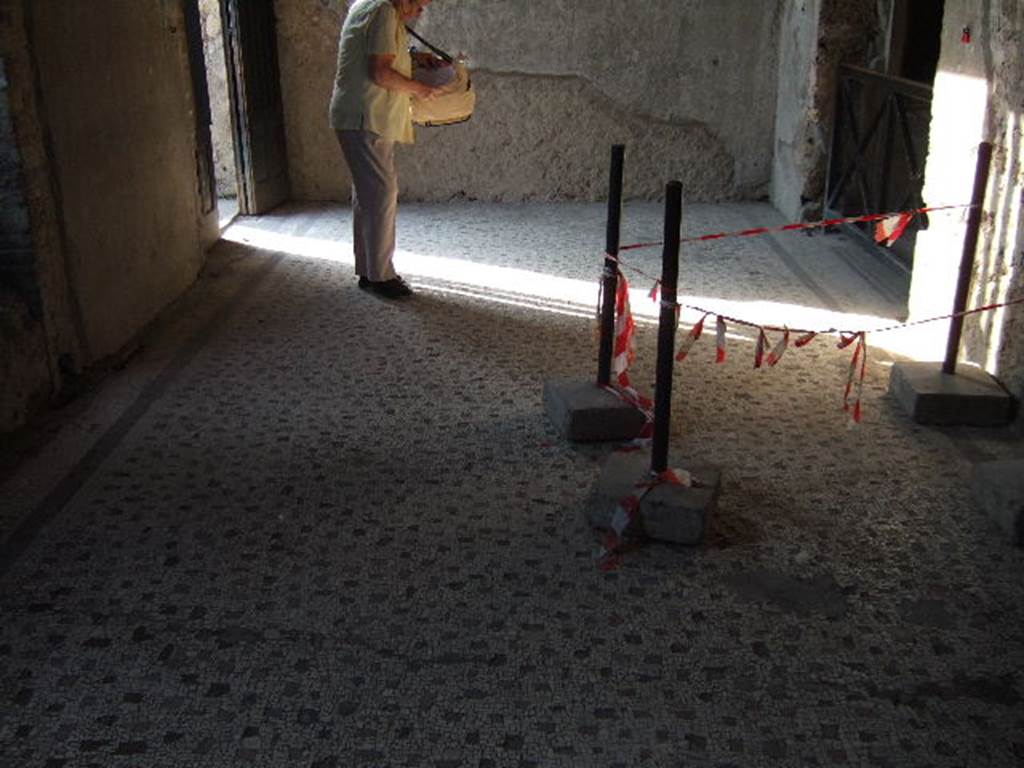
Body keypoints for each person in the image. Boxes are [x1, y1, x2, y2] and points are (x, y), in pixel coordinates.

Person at [329, 0, 443, 299]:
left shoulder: (372, 5)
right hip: (366, 116)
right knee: (380, 193)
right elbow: (380, 73)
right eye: (419, 4)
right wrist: (420, 89)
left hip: (361, 115)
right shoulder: (383, 11)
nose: (420, 11)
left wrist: (417, 60)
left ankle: (369, 271)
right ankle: (381, 277)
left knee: (368, 194)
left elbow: (383, 56)